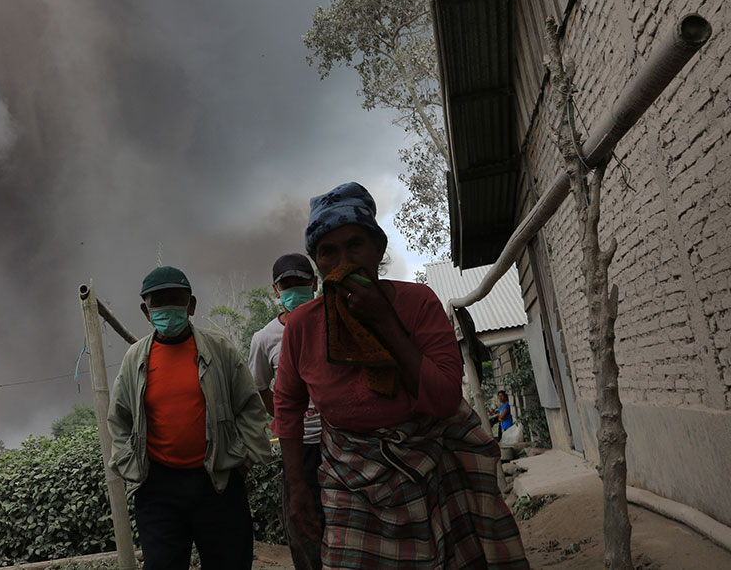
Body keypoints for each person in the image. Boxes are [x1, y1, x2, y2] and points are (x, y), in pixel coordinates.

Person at [272, 182, 528, 569]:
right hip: (348, 474)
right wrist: (296, 488)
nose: (343, 261)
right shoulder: (303, 326)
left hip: (429, 460)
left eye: (355, 245)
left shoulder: (418, 303)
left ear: (378, 248)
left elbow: (443, 399)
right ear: (317, 263)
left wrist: (384, 323)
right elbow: (287, 406)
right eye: (328, 251)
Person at [107, 265, 271, 570]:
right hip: (158, 489)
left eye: (175, 298)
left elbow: (250, 407)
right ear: (146, 310)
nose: (168, 308)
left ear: (191, 304)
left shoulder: (219, 349)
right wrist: (133, 469)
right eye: (158, 301)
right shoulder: (136, 359)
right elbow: (119, 419)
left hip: (218, 482)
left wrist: (242, 460)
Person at [247, 253, 322, 570]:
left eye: (300, 284)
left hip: (341, 440)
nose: (294, 290)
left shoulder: (334, 320)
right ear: (276, 291)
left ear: (314, 284)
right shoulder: (264, 339)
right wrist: (282, 420)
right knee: (304, 525)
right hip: (299, 449)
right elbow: (260, 385)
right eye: (286, 285)